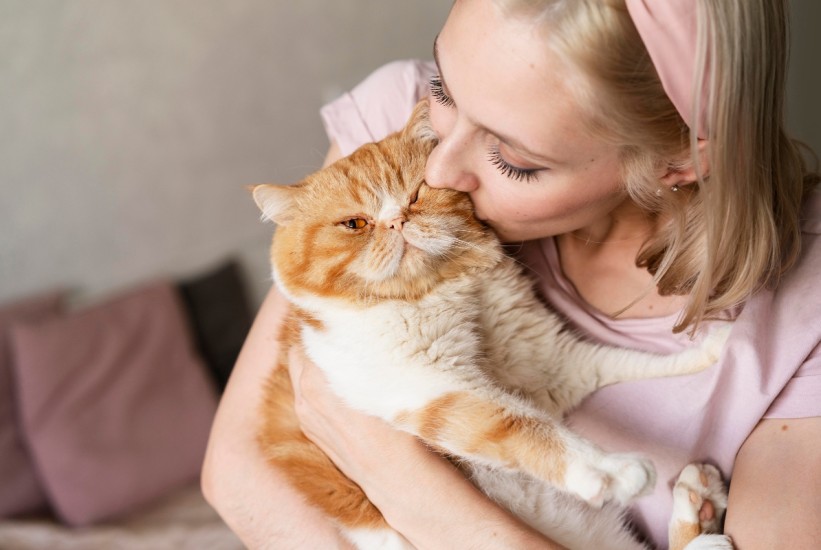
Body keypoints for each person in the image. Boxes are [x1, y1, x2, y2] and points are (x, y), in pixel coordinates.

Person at [202, 0, 821, 548]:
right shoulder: (396, 131)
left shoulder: (805, 301)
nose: (437, 171)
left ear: (676, 163)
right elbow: (239, 472)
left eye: (514, 160)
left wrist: (399, 476)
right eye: (445, 88)